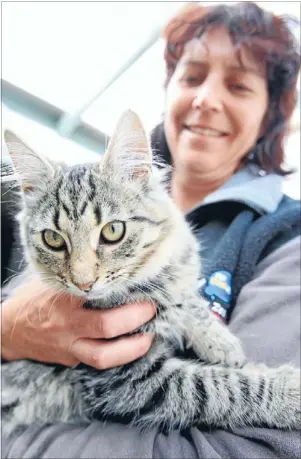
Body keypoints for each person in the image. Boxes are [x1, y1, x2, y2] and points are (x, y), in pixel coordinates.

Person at [2, 2, 300, 458]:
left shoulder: (285, 235)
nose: (84, 276)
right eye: (192, 76)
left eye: (238, 85)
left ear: (270, 115)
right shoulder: (65, 207)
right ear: (169, 88)